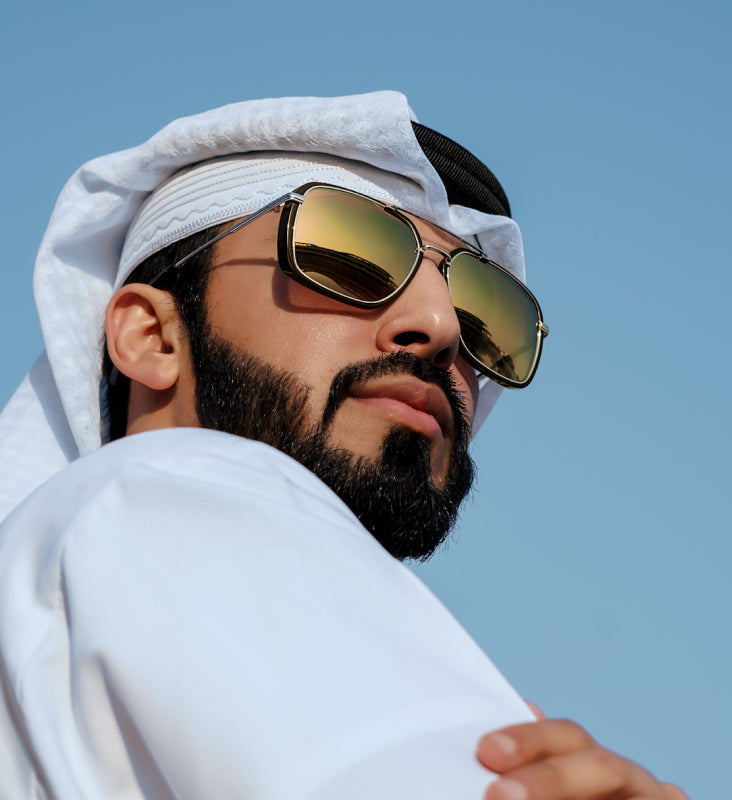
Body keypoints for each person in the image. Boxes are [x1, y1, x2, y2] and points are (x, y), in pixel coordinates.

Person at [0, 91, 687, 799]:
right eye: (349, 256)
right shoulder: (162, 486)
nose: (442, 326)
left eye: (482, 313)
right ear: (153, 337)